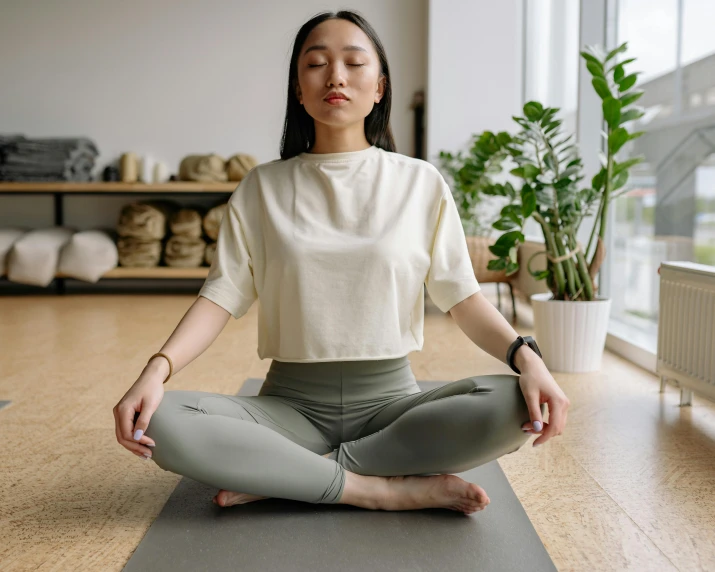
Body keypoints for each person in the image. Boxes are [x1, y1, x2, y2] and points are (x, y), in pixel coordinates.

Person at [113, 10, 570, 515]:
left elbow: (462, 297)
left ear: (379, 87)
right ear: (298, 89)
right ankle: (377, 488)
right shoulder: (261, 188)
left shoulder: (420, 183)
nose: (336, 76)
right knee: (159, 418)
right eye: (317, 64)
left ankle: (292, 475)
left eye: (354, 63)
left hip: (394, 406)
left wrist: (529, 359)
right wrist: (155, 371)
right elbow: (219, 297)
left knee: (514, 404)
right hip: (287, 409)